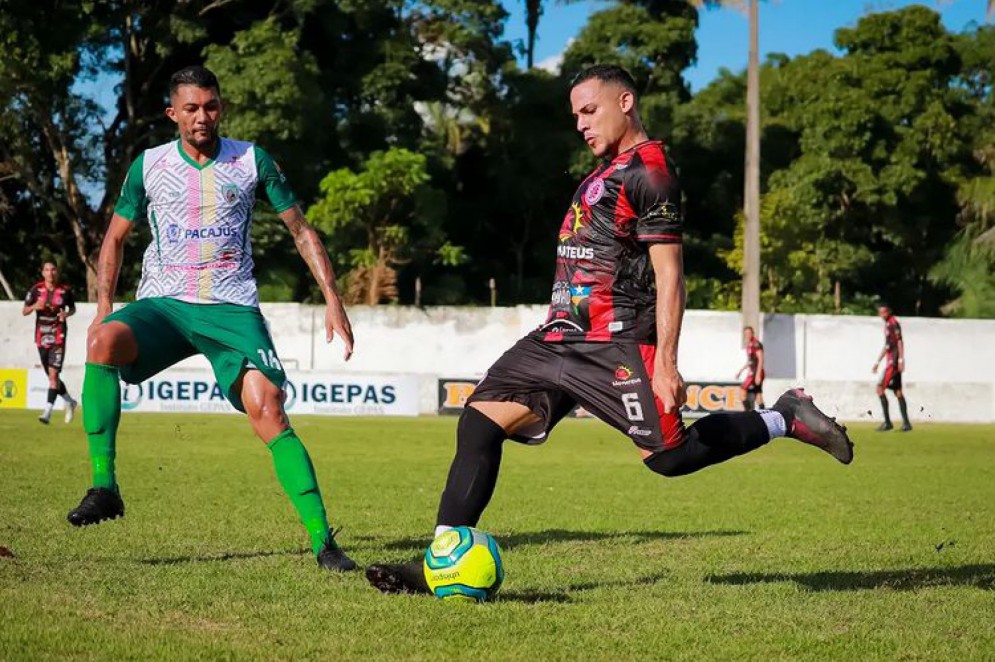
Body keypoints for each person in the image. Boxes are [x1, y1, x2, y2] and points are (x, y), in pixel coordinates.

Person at [365, 64, 854, 595]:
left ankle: (784, 417)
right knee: (479, 423)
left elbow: (671, 274)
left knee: (670, 458)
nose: (580, 123)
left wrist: (666, 360)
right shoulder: (609, 170)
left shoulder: (652, 173)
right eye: (575, 114)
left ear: (626, 103)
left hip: (615, 342)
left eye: (589, 110)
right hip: (557, 335)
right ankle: (441, 561)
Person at [65, 66, 358, 572]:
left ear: (221, 107)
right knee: (103, 342)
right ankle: (104, 488)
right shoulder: (149, 165)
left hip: (230, 308)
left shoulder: (251, 160)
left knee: (268, 409)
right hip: (163, 304)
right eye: (193, 108)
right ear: (173, 113)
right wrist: (103, 309)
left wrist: (332, 296)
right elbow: (113, 238)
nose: (204, 117)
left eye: (212, 106)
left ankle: (322, 542)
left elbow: (300, 229)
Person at [22, 261, 79, 424]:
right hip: (41, 336)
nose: (50, 273)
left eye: (53, 269)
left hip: (58, 336)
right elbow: (24, 311)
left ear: (57, 272)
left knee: (53, 376)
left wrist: (66, 315)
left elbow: (72, 309)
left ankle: (47, 411)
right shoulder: (35, 290)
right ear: (42, 273)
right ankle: (69, 400)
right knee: (52, 377)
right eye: (47, 270)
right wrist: (34, 306)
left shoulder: (65, 290)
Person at [872, 304, 911, 432]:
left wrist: (900, 359)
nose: (882, 315)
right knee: (898, 391)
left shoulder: (893, 323)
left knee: (879, 389)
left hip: (893, 364)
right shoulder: (888, 324)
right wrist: (878, 361)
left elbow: (900, 341)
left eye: (884, 312)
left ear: (889, 312)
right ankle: (906, 424)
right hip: (890, 361)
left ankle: (888, 423)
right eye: (880, 313)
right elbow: (888, 346)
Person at [736, 326, 765, 411]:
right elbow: (750, 361)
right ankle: (762, 414)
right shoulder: (749, 345)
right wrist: (741, 371)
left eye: (749, 333)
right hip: (752, 372)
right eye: (746, 333)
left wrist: (758, 375)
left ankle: (748, 413)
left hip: (755, 373)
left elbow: (760, 359)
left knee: (742, 392)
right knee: (758, 395)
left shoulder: (756, 344)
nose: (748, 335)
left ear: (752, 333)